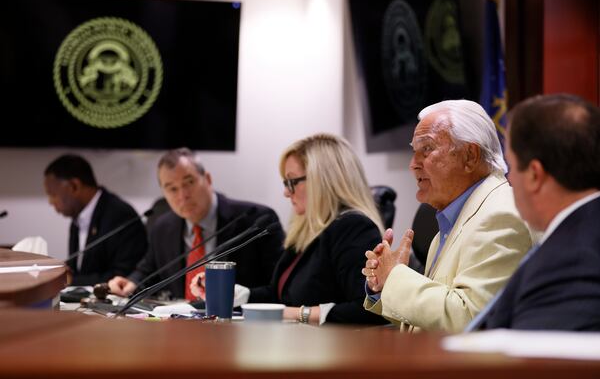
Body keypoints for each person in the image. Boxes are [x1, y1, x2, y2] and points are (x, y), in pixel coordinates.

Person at [363, 99, 535, 332]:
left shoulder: (500, 216)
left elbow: (469, 319)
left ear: (470, 156)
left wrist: (395, 277)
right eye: (415, 151)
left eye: (427, 149)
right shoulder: (452, 221)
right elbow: (429, 322)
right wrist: (384, 285)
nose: (413, 164)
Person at [191, 133, 388, 325]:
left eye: (291, 182)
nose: (286, 192)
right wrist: (236, 294)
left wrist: (296, 314)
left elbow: (366, 308)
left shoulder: (353, 227)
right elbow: (280, 296)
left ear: (322, 180)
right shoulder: (306, 231)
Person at [468, 94, 600, 331]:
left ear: (534, 175)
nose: (509, 179)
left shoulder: (569, 261)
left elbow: (538, 363)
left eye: (511, 165)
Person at [108, 148, 285, 300]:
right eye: (172, 188)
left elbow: (279, 287)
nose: (182, 195)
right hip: (181, 327)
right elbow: (148, 271)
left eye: (189, 182)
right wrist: (130, 284)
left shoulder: (256, 220)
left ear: (207, 179)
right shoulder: (162, 228)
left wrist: (241, 297)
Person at [44, 154, 148, 285]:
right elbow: (77, 271)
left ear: (74, 186)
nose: (50, 202)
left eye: (53, 194)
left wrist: (71, 281)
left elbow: (125, 276)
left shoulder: (120, 214)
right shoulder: (77, 218)